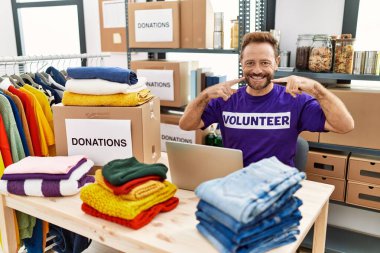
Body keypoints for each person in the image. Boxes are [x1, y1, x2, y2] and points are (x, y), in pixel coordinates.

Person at [179, 32, 354, 167]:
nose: (257, 70)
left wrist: (317, 90)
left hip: (279, 188)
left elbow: (345, 126)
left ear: (276, 62)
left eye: (264, 63)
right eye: (250, 63)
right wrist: (205, 95)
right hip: (235, 184)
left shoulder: (295, 100)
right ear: (241, 63)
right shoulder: (226, 99)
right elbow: (186, 125)